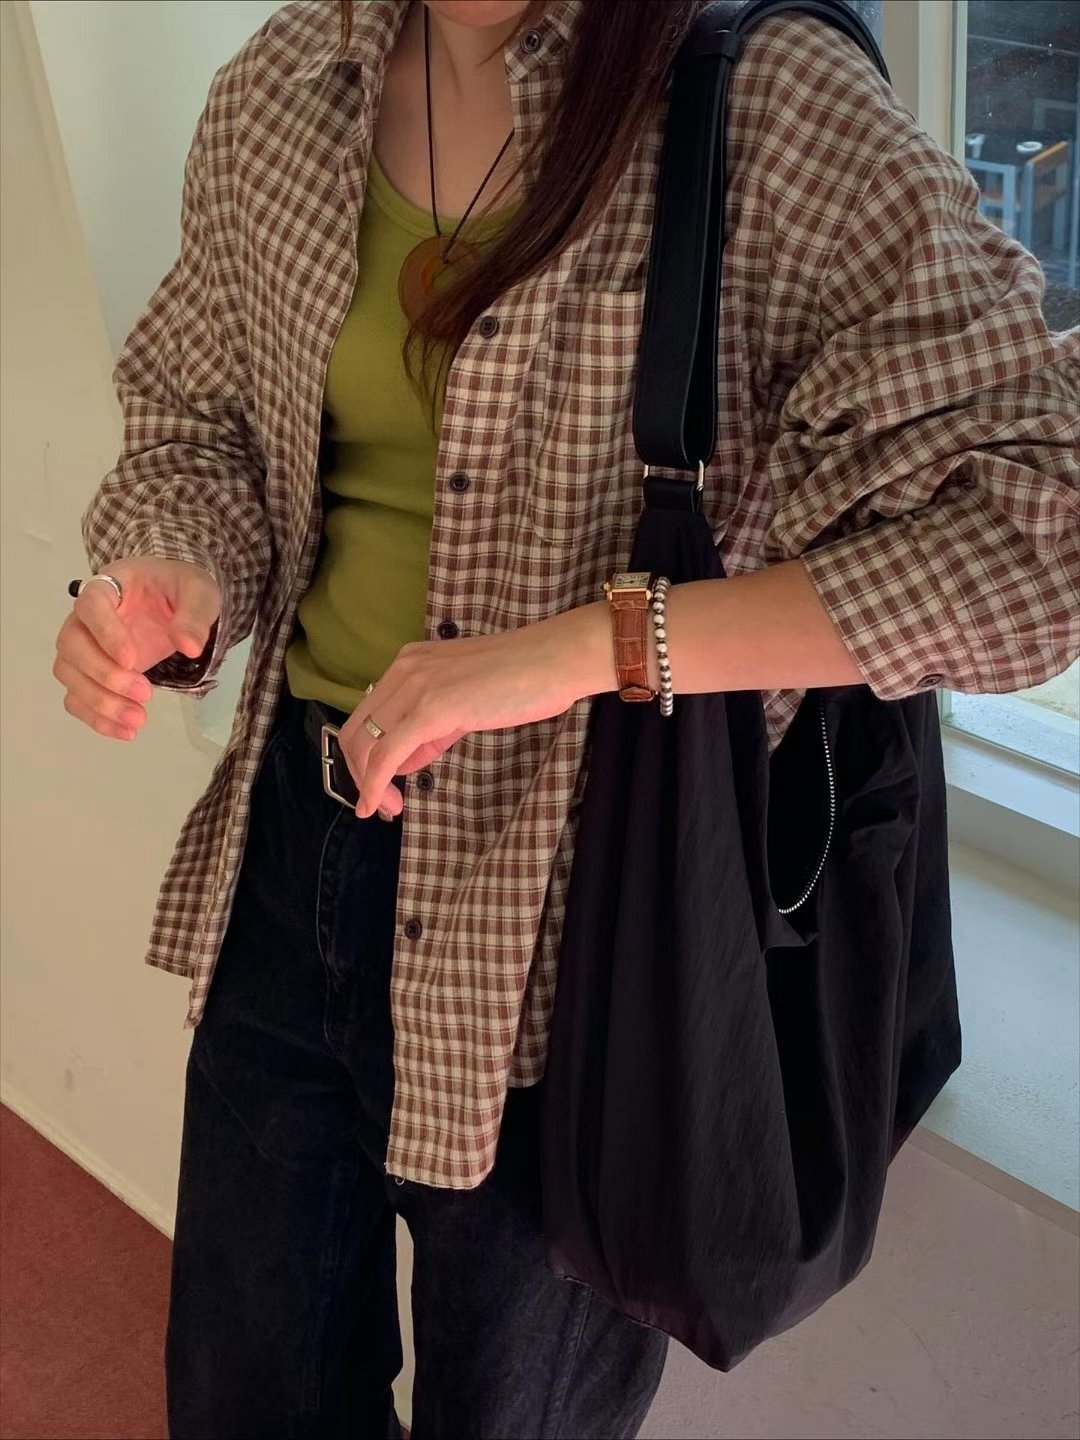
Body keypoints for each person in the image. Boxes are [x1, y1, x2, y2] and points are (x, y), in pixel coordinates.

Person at [54, 0, 1078, 1435]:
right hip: (294, 853)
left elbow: (1045, 528)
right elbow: (200, 421)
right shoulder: (291, 81)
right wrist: (178, 572)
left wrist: (591, 647)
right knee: (245, 1400)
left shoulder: (765, 106)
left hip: (584, 922)